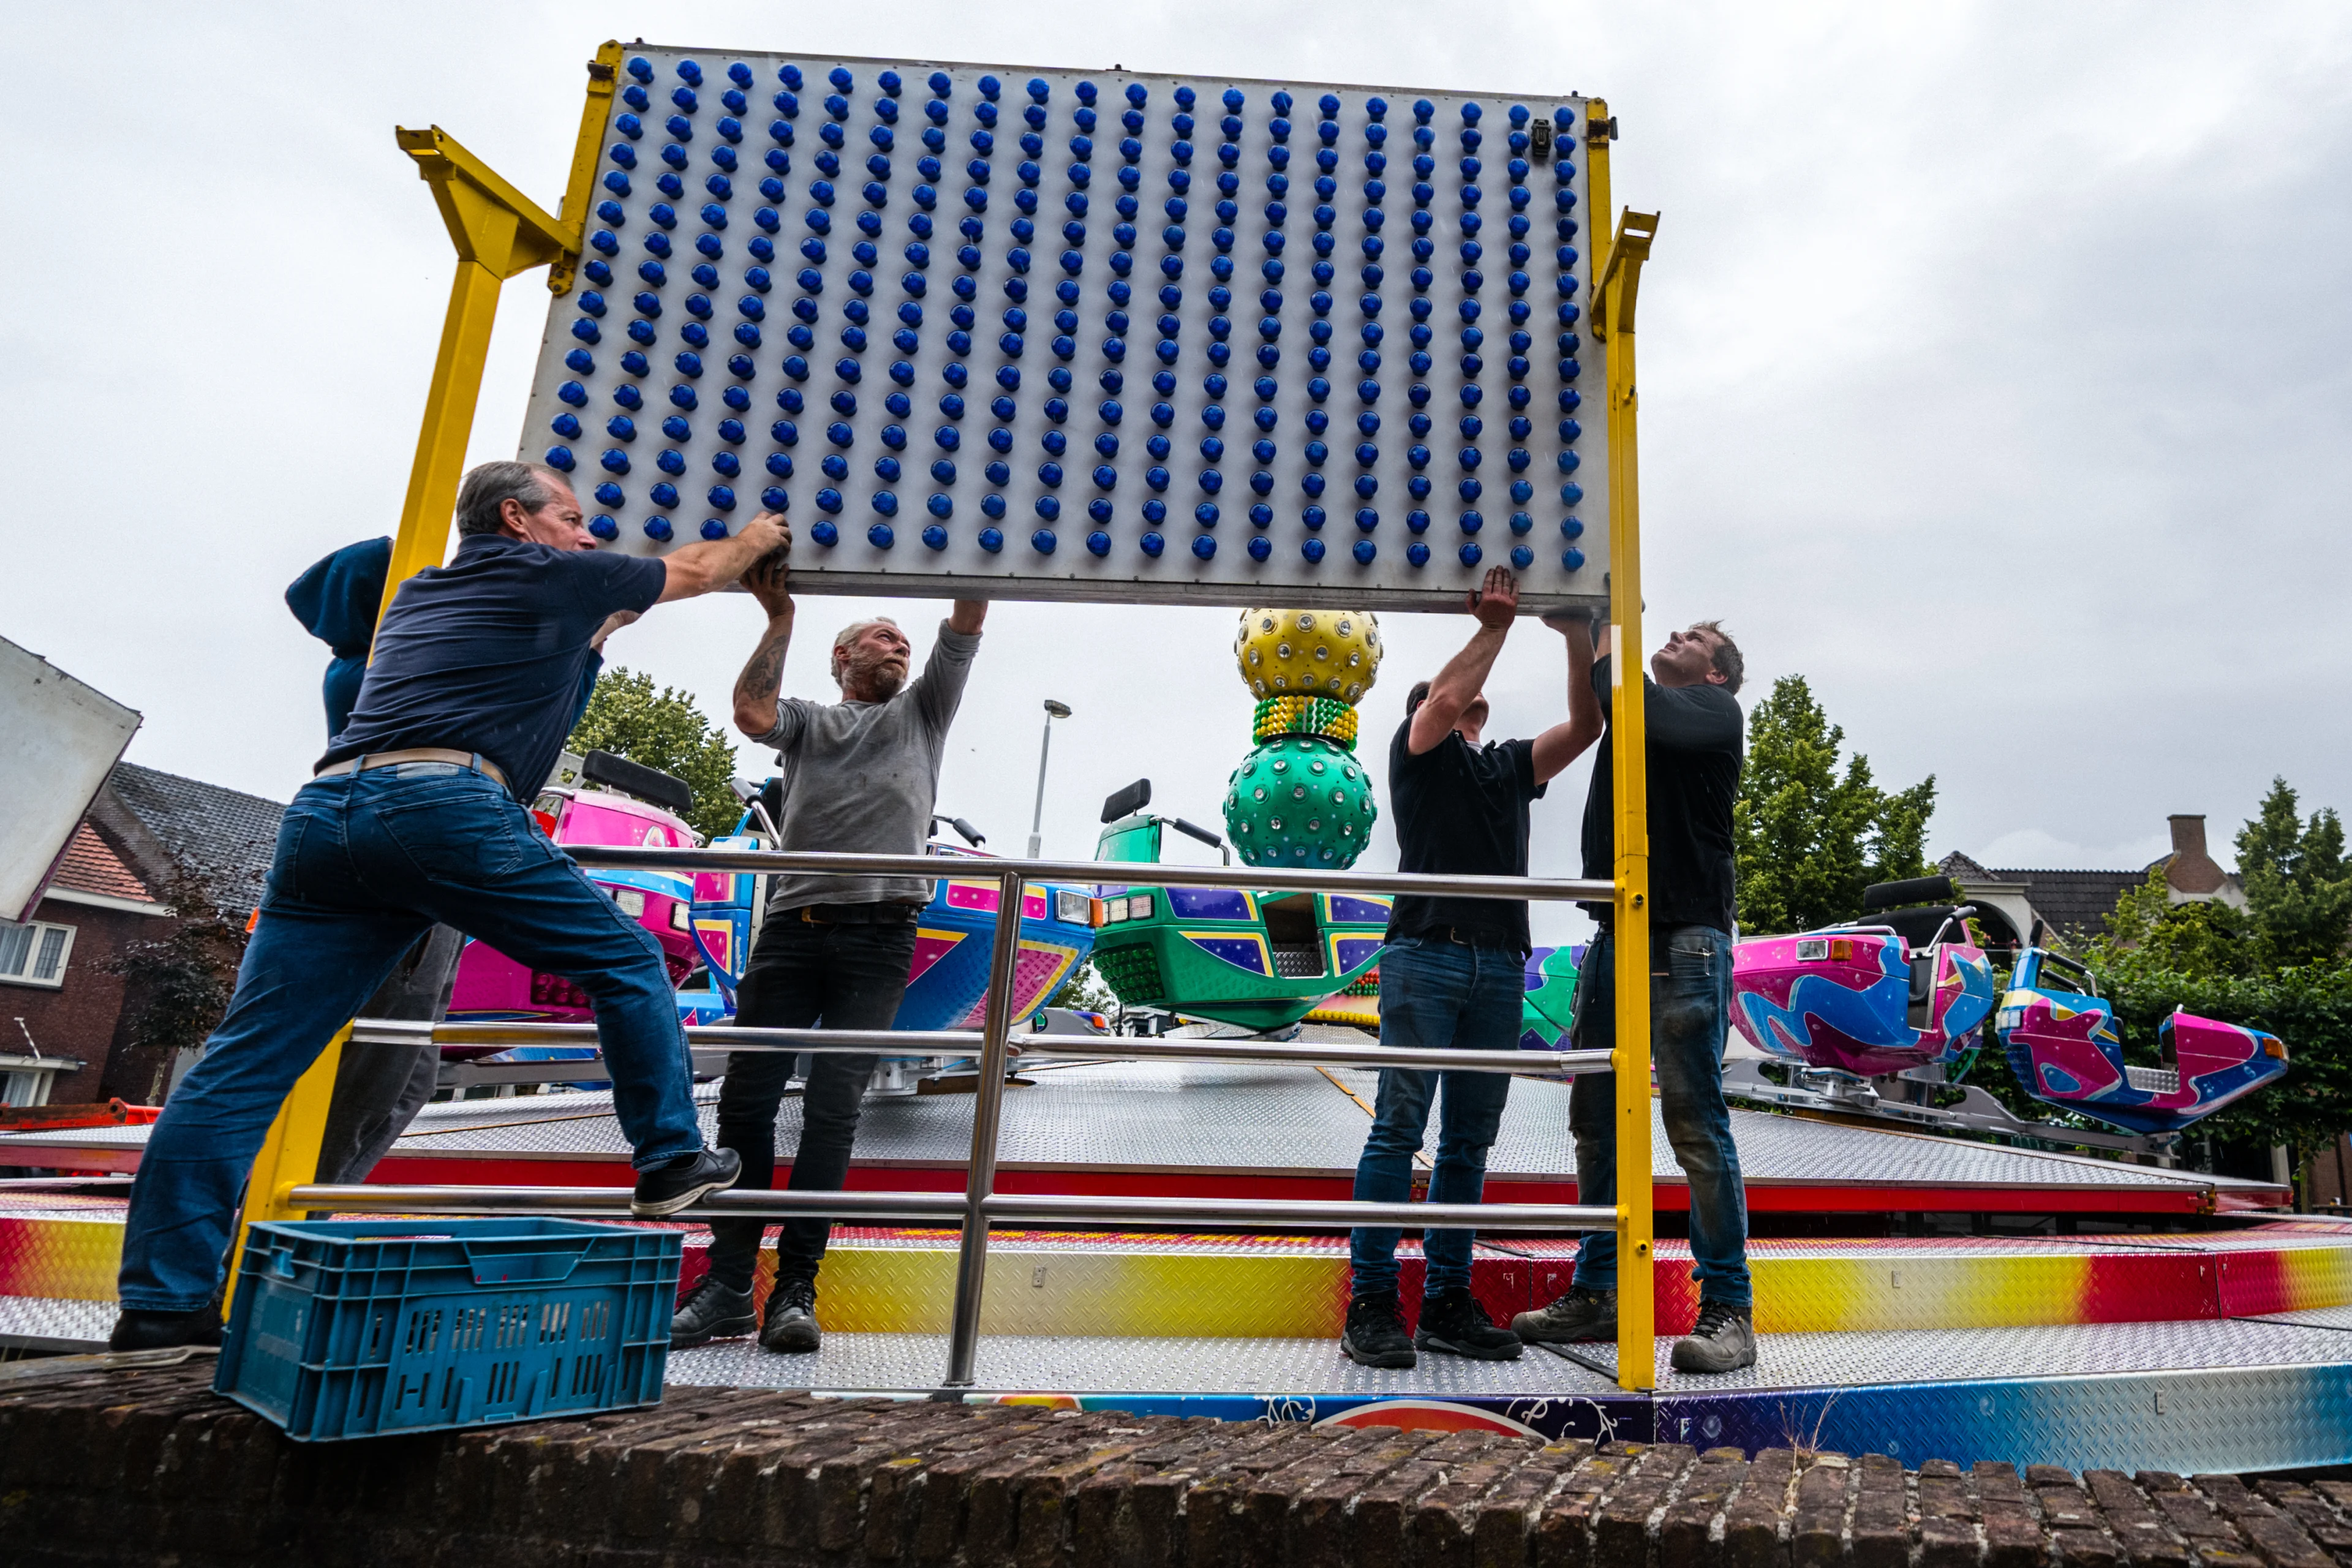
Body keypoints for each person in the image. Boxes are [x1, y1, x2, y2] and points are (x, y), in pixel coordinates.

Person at [110, 462, 783, 1351]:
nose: (589, 538)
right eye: (575, 519)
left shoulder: (427, 596)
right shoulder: (550, 574)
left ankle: (162, 1309)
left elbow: (601, 622)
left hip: (326, 818)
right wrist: (758, 545)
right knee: (624, 960)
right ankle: (668, 1159)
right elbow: (696, 571)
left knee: (241, 1068)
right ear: (518, 518)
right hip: (443, 809)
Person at [668, 551, 987, 1354]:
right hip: (793, 929)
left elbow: (968, 617)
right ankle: (732, 1283)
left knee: (833, 1114)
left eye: (904, 642)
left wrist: (979, 539)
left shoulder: (925, 712)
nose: (899, 646)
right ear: (843, 658)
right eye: (882, 636)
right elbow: (749, 713)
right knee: (746, 1104)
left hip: (880, 936)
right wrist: (779, 617)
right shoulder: (810, 721)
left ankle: (796, 1290)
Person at [1341, 568, 1602, 1370]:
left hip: (1498, 963)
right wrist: (1494, 628)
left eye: (1483, 702)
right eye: (1459, 698)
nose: (1473, 705)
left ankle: (1447, 1300)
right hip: (1426, 952)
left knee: (1469, 1140)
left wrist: (1577, 640)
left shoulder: (1509, 770)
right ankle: (1374, 1301)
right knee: (1399, 1125)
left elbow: (1587, 727)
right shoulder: (1416, 752)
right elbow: (1446, 705)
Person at [1510, 619, 1752, 1373]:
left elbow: (1630, 702)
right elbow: (1605, 696)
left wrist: (1610, 626)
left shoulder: (1713, 715)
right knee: (1595, 1115)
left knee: (1694, 1117)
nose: (1675, 634)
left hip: (1684, 932)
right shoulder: (1640, 706)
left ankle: (1730, 1310)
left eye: (1694, 638)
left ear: (1718, 674)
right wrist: (1579, 629)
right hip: (1623, 925)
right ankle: (1602, 1290)